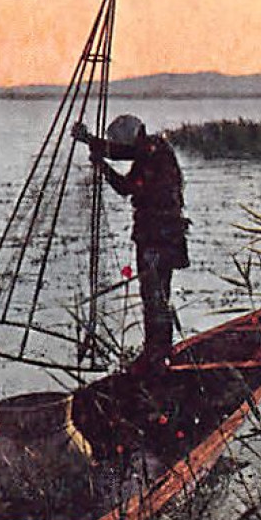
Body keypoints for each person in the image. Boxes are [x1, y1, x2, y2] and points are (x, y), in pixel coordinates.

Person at [72, 114, 189, 369]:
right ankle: (158, 351)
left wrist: (101, 165)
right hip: (161, 235)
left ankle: (157, 354)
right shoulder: (152, 147)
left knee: (154, 295)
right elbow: (122, 153)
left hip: (159, 237)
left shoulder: (152, 152)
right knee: (155, 295)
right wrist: (90, 142)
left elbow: (127, 187)